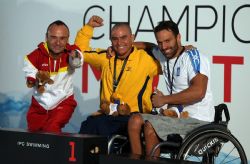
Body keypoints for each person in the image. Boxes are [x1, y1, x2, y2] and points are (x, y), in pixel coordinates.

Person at [128, 20, 214, 156]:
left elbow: (199, 92)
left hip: (196, 120)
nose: (164, 46)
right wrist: (122, 46)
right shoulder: (163, 54)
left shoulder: (193, 57)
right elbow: (148, 46)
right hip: (175, 117)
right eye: (160, 42)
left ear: (178, 38)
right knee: (134, 121)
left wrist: (164, 100)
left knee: (151, 125)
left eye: (168, 41)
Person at [74, 15, 161, 138]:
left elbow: (166, 53)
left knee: (100, 125)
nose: (119, 43)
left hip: (135, 117)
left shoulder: (147, 60)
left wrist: (184, 50)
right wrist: (89, 27)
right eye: (115, 39)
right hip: (108, 115)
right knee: (88, 126)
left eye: (124, 38)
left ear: (132, 38)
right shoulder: (106, 57)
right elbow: (79, 51)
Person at [23, 20, 83, 133]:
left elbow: (77, 63)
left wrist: (75, 56)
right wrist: (31, 78)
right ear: (46, 37)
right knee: (34, 134)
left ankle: (61, 150)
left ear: (68, 39)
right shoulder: (37, 54)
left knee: (51, 128)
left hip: (63, 101)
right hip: (39, 104)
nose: (58, 42)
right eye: (53, 37)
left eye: (62, 38)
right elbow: (29, 68)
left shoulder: (71, 53)